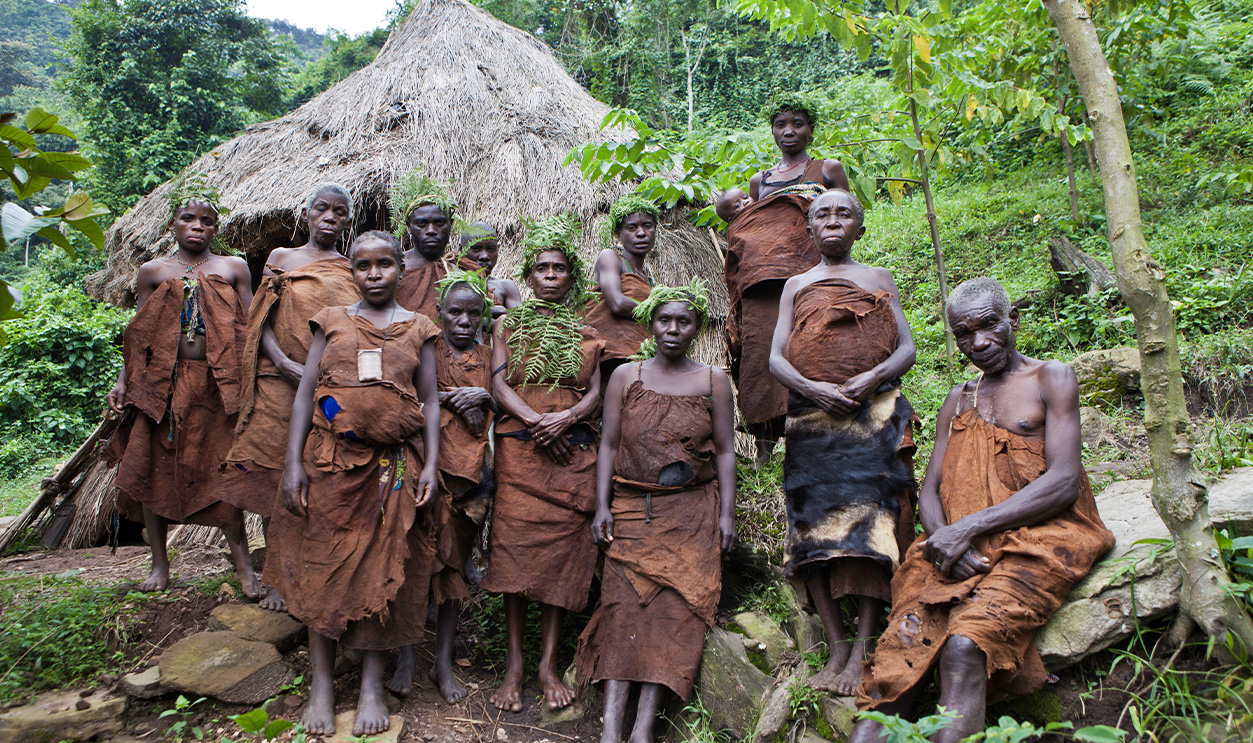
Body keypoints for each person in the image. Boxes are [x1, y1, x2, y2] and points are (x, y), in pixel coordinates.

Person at [849, 278, 1115, 743]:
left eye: (989, 326)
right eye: (964, 335)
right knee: (895, 661)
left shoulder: (1051, 377)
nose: (979, 342)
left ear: (1012, 320)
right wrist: (941, 541)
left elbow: (1063, 482)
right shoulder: (960, 397)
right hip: (955, 547)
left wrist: (967, 528)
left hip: (1042, 538)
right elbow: (929, 489)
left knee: (965, 646)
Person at [267, 231, 441, 737]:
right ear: (353, 272)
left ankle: (370, 684)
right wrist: (294, 464)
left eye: (384, 264)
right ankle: (321, 684)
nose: (374, 274)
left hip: (392, 471)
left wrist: (430, 464)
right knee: (323, 567)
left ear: (400, 270)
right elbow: (308, 395)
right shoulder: (332, 322)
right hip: (329, 465)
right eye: (363, 265)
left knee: (382, 571)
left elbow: (429, 401)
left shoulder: (419, 328)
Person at [769, 189, 918, 695]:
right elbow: (777, 360)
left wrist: (868, 378)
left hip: (872, 414)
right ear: (809, 229)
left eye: (844, 214)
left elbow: (907, 348)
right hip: (813, 420)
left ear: (859, 225)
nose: (833, 221)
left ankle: (862, 645)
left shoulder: (878, 280)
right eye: (822, 215)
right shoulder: (795, 285)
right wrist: (813, 388)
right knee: (810, 524)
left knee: (875, 521)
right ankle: (835, 643)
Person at [578, 278, 737, 743]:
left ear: (696, 328)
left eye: (682, 321)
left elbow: (726, 451)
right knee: (622, 610)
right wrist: (601, 505)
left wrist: (726, 515)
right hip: (631, 511)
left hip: (691, 518)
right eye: (664, 319)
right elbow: (608, 443)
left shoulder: (714, 381)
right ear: (651, 324)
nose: (672, 329)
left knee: (676, 614)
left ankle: (643, 728)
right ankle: (611, 728)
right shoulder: (627, 376)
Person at [105, 172, 260, 597]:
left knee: (221, 471)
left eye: (206, 221)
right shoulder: (153, 272)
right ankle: (160, 565)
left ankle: (245, 568)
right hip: (161, 389)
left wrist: (259, 383)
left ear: (216, 229)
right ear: (172, 224)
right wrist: (123, 383)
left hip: (216, 389)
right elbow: (138, 335)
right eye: (188, 218)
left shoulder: (233, 268)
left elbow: (252, 326)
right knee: (152, 468)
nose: (197, 226)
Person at [480, 213, 605, 713]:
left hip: (571, 455)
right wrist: (536, 420)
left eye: (559, 269)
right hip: (522, 451)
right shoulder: (509, 324)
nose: (551, 276)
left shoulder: (586, 330)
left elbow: (597, 390)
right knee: (513, 554)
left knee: (561, 561)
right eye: (541, 269)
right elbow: (498, 382)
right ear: (528, 277)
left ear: (571, 277)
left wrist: (567, 417)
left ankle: (547, 665)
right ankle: (513, 664)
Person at [220, 183, 360, 612]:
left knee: (321, 469)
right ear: (306, 214)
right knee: (273, 470)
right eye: (322, 209)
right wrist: (282, 362)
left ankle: (312, 568)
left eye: (339, 211)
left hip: (330, 389)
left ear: (348, 221)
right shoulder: (281, 258)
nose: (330, 217)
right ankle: (276, 576)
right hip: (279, 381)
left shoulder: (354, 267)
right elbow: (258, 318)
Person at [387, 269, 497, 704]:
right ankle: (407, 657)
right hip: (427, 471)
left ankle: (443, 662)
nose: (465, 320)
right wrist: (449, 397)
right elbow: (400, 398)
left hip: (474, 478)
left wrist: (484, 397)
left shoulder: (490, 356)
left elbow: (505, 401)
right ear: (439, 313)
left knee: (453, 568)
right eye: (456, 312)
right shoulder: (425, 349)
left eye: (473, 313)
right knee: (416, 566)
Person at [724, 91, 850, 464]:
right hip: (762, 283)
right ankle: (764, 452)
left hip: (811, 274)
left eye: (797, 123)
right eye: (781, 124)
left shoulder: (828, 170)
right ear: (772, 131)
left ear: (811, 129)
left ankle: (816, 438)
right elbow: (751, 228)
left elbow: (845, 218)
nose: (789, 131)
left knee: (814, 347)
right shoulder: (758, 182)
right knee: (760, 353)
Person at [583, 194, 660, 378]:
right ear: (619, 234)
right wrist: (659, 311)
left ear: (655, 230)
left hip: (638, 360)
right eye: (631, 228)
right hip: (610, 359)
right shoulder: (610, 258)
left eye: (647, 226)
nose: (641, 233)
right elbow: (616, 303)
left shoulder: (650, 282)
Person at [391, 169, 456, 320]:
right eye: (421, 224)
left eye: (439, 223)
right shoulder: (393, 268)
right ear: (409, 226)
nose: (431, 231)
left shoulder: (465, 267)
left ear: (450, 224)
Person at [456, 220, 521, 316]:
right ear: (462, 250)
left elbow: (518, 321)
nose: (484, 256)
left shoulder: (506, 287)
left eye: (491, 249)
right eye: (476, 249)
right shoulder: (451, 280)